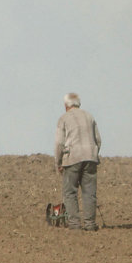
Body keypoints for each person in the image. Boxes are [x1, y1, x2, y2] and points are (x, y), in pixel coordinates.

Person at [54, 92, 102, 231]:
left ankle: (74, 224)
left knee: (70, 192)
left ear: (66, 105)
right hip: (90, 158)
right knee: (89, 192)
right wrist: (93, 153)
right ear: (78, 103)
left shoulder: (63, 119)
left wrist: (58, 163)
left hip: (72, 158)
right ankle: (90, 224)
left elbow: (59, 144)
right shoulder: (89, 116)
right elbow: (98, 140)